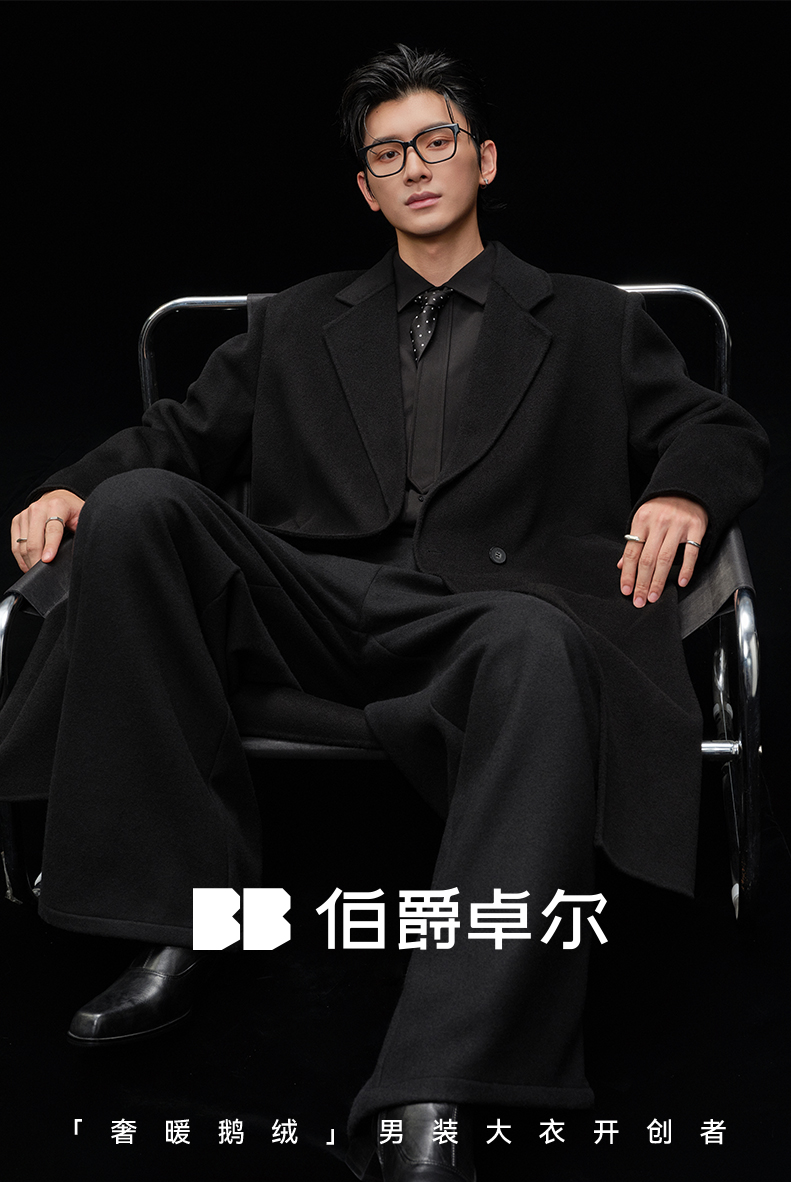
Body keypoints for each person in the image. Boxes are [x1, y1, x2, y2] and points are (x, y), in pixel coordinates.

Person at [2, 44, 767, 1182]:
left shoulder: (593, 320)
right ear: (366, 187)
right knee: (139, 507)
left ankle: (431, 1089)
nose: (414, 166)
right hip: (311, 597)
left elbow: (717, 427)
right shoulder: (294, 321)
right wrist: (74, 485)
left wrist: (680, 490)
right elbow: (175, 440)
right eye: (388, 153)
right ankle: (176, 926)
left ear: (482, 160)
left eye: (435, 142)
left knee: (540, 645)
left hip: (486, 617)